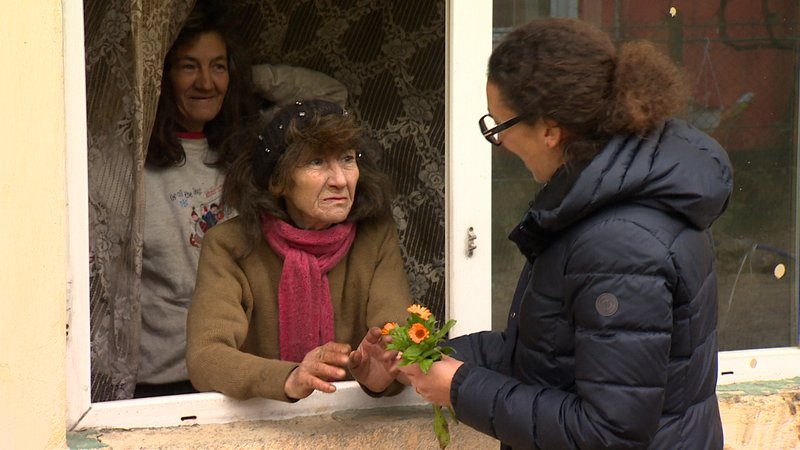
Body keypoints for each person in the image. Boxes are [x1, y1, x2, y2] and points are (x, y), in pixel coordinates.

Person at [380, 18, 731, 449]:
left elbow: (610, 434)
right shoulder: (613, 200)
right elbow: (551, 353)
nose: (500, 143)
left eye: (500, 126)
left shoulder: (618, 243)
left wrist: (459, 388)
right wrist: (431, 357)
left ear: (549, 129)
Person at [137, 1, 348, 398]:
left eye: (217, 66)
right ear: (161, 75)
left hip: (241, 369)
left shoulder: (253, 152)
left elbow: (332, 94)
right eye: (188, 67)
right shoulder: (133, 168)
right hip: (162, 376)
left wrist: (241, 77)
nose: (205, 83)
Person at [185, 99, 411, 402]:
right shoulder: (230, 244)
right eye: (317, 162)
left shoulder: (375, 235)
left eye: (347, 159)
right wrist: (289, 377)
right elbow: (206, 357)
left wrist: (385, 376)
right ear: (278, 181)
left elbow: (396, 338)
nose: (340, 180)